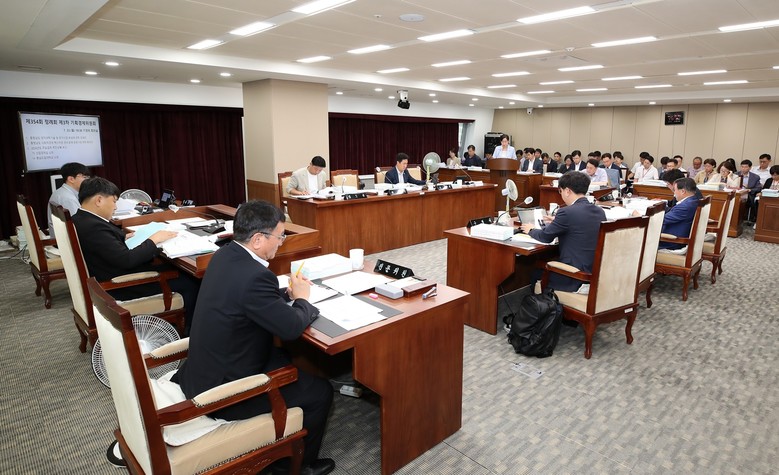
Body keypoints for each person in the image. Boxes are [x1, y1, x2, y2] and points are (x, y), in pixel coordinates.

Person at [173, 200, 335, 475]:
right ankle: (295, 468)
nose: (281, 242)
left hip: (203, 370)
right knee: (321, 392)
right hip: (224, 391)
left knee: (283, 356)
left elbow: (245, 299)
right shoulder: (255, 276)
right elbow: (290, 328)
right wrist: (303, 300)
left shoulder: (225, 255)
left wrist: (286, 295)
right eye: (280, 236)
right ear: (258, 239)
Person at [72, 177, 200, 332]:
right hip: (121, 284)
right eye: (114, 201)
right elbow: (127, 260)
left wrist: (121, 238)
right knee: (191, 280)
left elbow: (105, 245)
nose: (115, 207)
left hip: (108, 274)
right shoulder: (93, 227)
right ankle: (189, 331)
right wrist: (154, 240)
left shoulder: (80, 219)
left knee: (175, 269)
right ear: (99, 200)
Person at [520, 171, 605, 292]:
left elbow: (545, 237)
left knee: (536, 273)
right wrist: (557, 221)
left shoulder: (566, 212)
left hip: (574, 275)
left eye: (560, 191)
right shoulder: (599, 211)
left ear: (567, 191)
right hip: (594, 271)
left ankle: (543, 303)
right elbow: (580, 224)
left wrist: (530, 230)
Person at [47, 162, 90, 240]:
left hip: (62, 239)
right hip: (68, 241)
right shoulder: (68, 198)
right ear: (71, 179)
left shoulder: (60, 192)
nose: (87, 180)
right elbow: (80, 225)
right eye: (84, 177)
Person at [659, 178, 700, 250]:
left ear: (683, 191)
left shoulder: (685, 206)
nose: (674, 193)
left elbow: (662, 220)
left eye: (675, 190)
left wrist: (641, 216)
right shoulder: (694, 200)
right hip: (678, 237)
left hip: (671, 242)